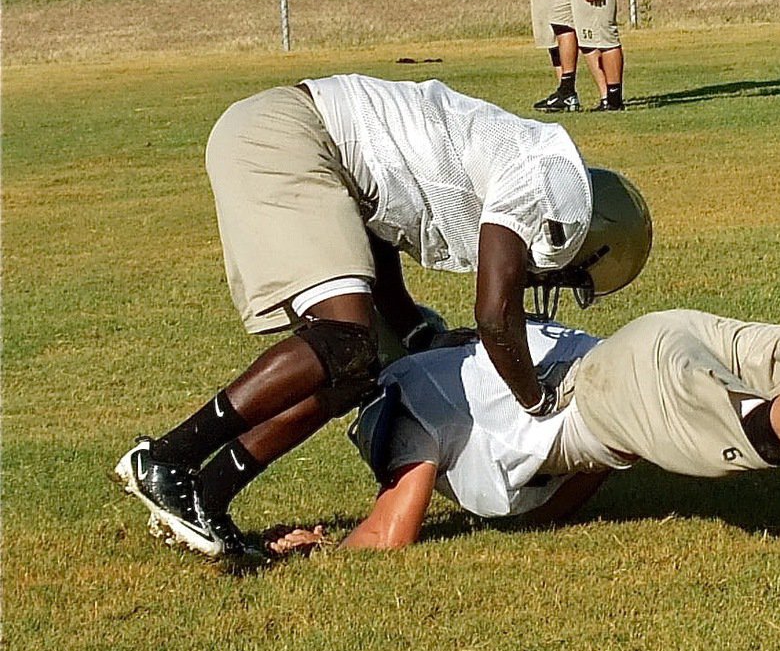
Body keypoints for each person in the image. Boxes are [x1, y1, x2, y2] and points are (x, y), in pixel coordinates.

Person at [113, 73, 652, 560]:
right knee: (344, 339)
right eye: (570, 275)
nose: (547, 282)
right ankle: (169, 459)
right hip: (291, 135)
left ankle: (207, 495)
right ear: (585, 238)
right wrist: (536, 397)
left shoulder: (509, 163)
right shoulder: (537, 182)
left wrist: (417, 332)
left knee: (356, 369)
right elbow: (494, 315)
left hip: (302, 143)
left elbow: (381, 228)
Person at [266, 264, 780, 554]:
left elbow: (398, 522)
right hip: (654, 338)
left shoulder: (399, 402)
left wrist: (325, 551)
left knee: (757, 428)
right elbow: (580, 484)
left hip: (615, 392)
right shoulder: (458, 353)